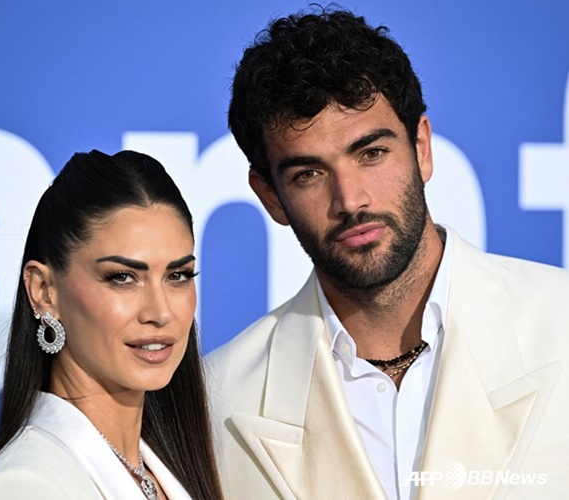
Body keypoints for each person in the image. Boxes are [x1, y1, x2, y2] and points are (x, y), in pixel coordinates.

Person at [206, 6, 569, 499]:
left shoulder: (561, 323)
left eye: (371, 153)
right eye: (309, 174)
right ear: (270, 196)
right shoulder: (218, 403)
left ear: (422, 148)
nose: (350, 200)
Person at [0, 150, 224, 499]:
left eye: (177, 275)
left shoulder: (165, 470)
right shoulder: (24, 486)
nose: (160, 312)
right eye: (122, 277)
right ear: (44, 291)